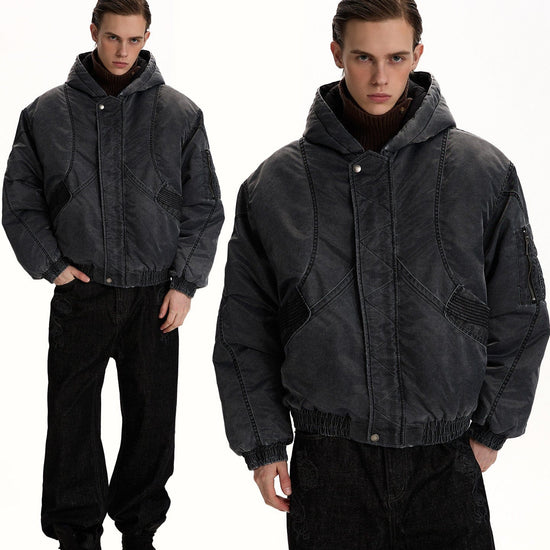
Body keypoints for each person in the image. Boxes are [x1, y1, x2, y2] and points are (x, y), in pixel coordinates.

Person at [213, 0, 549, 548]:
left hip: (445, 459)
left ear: (418, 54)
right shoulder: (274, 185)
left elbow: (522, 311)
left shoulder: (481, 173)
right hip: (329, 465)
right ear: (336, 54)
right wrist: (264, 443)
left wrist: (492, 430)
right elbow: (244, 328)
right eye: (363, 57)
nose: (380, 78)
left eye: (396, 58)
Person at [2, 1, 224, 548]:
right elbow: (19, 199)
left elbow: (204, 205)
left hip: (156, 297)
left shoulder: (179, 114)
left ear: (147, 36)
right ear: (93, 33)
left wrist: (184, 283)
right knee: (71, 421)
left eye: (133, 39)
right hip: (82, 292)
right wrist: (52, 266)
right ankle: (77, 537)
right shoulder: (45, 114)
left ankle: (139, 533)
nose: (123, 51)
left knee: (152, 422)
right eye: (112, 38)